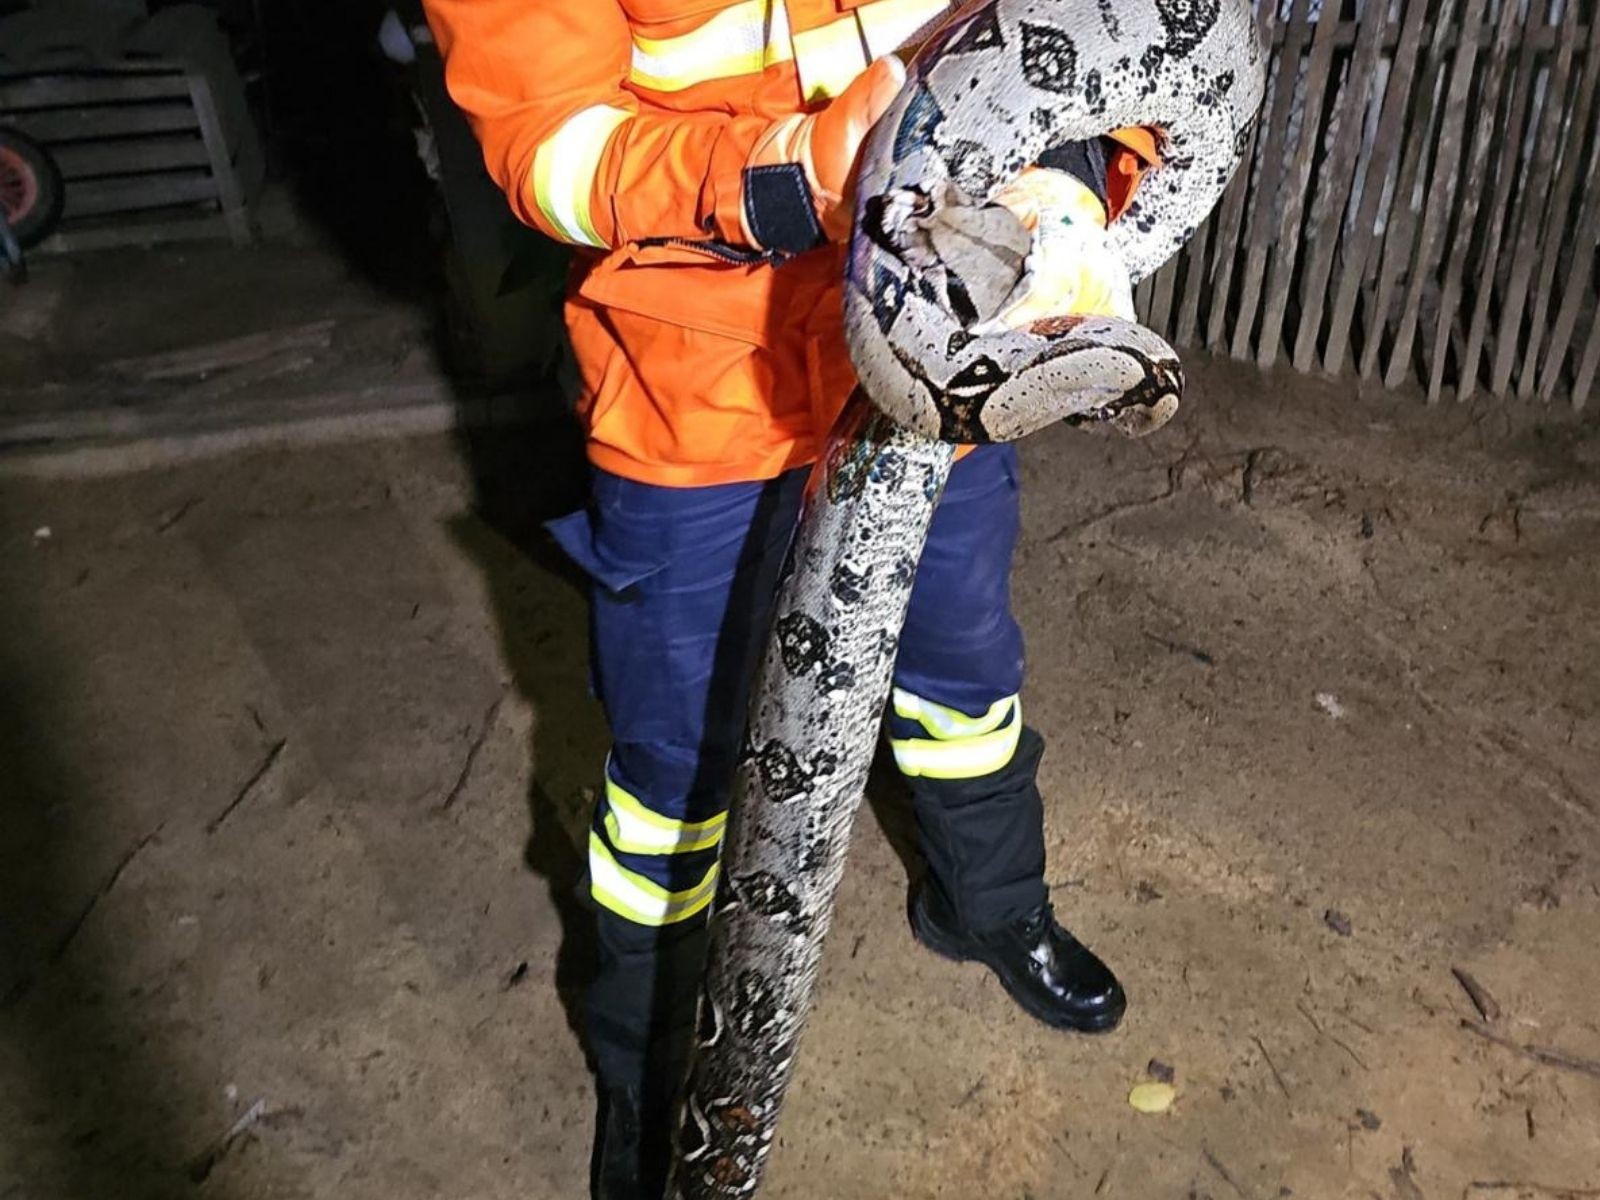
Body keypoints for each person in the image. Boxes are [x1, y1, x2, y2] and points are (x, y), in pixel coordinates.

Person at [420, 2, 1159, 1196]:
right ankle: (654, 1064)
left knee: (963, 668)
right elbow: (547, 150)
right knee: (679, 766)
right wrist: (785, 178)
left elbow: (1091, 36)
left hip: (928, 350)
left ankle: (991, 905)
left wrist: (1073, 176)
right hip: (696, 390)